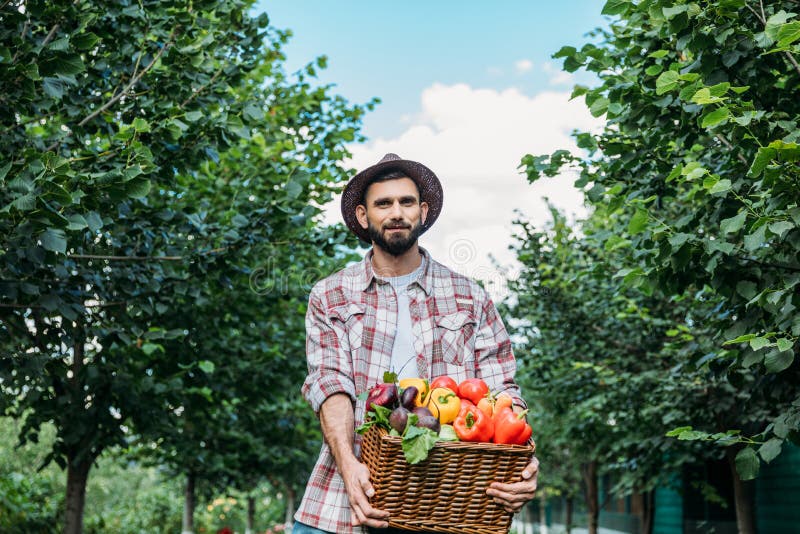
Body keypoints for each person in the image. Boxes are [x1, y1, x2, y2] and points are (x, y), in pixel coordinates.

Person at [293, 154, 539, 534]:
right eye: (383, 203)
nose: (396, 212)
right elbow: (330, 384)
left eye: (406, 202)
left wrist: (520, 461)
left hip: (449, 504)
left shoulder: (468, 297)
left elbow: (501, 391)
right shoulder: (331, 295)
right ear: (363, 216)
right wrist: (347, 463)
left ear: (422, 212)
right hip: (344, 502)